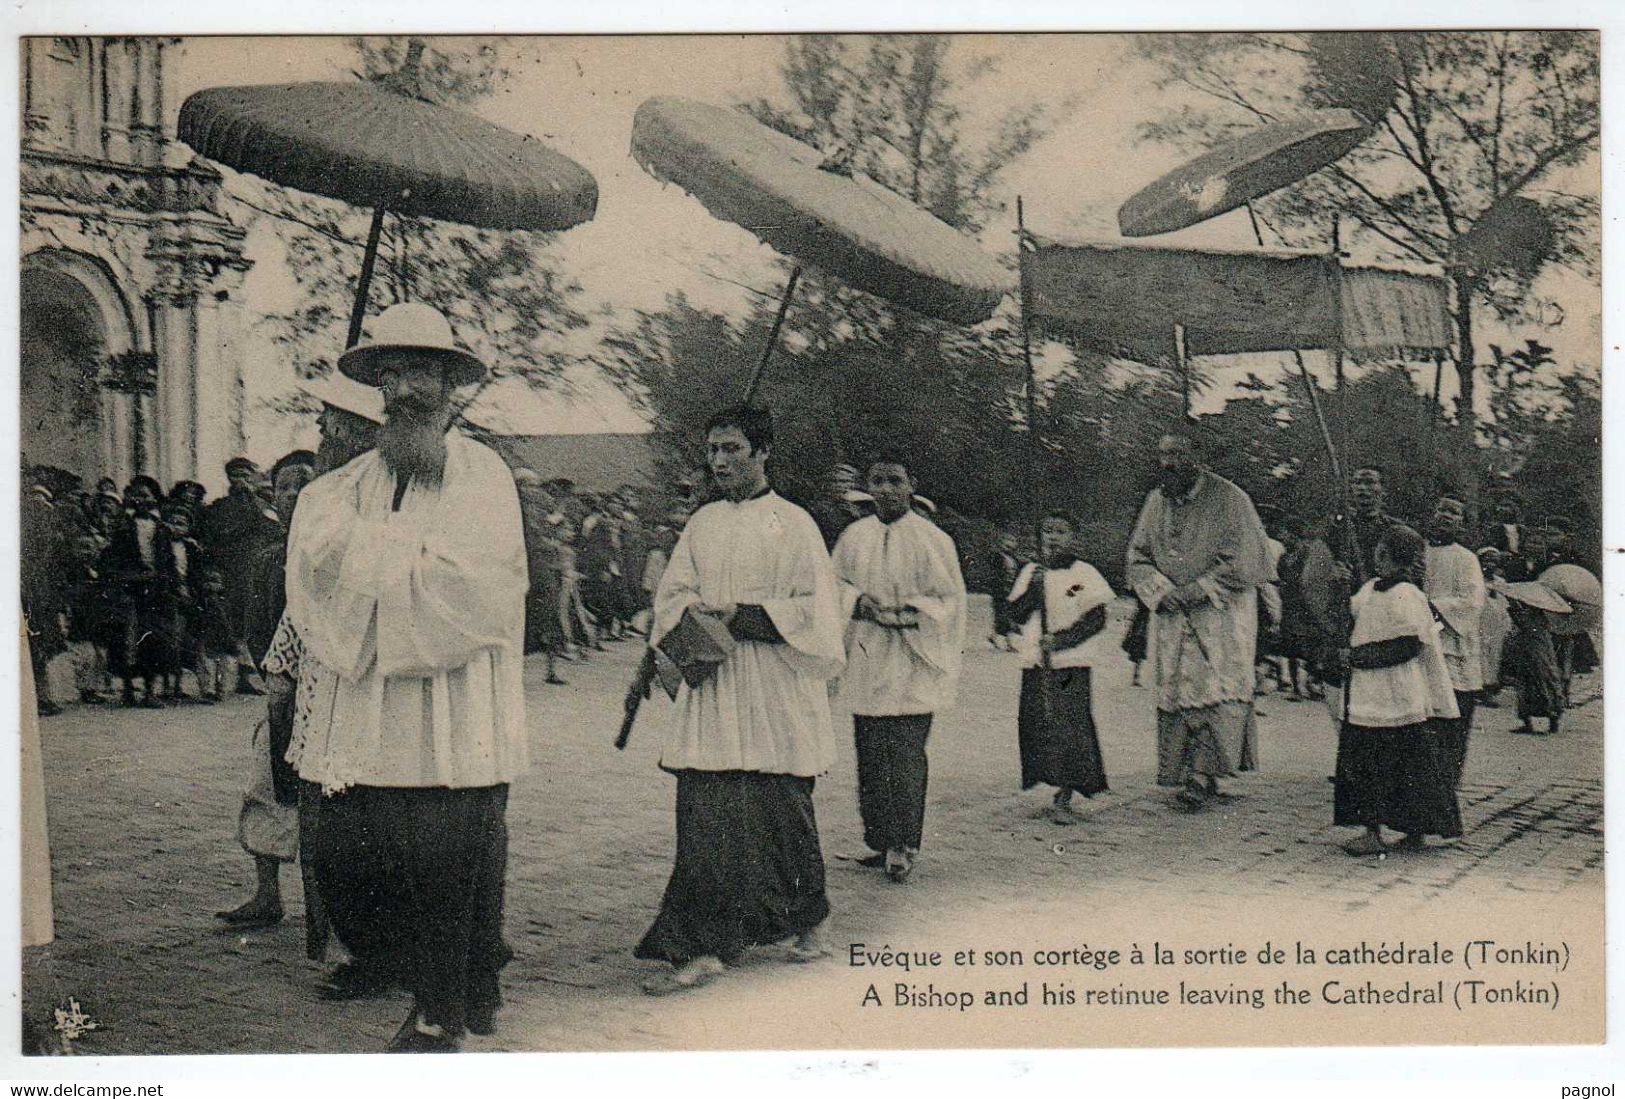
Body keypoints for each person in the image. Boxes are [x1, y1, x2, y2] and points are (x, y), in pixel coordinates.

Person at [280, 302, 529, 1052]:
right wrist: (390, 549)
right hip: (378, 712)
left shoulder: (482, 475)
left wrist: (369, 554)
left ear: (451, 383)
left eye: (421, 372)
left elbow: (473, 587)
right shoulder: (348, 482)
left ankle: (438, 1015)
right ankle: (450, 988)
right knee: (370, 854)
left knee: (450, 860)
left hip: (453, 709)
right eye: (391, 374)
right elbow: (312, 565)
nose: (405, 390)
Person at [633, 404, 844, 995]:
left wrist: (749, 615)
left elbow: (818, 613)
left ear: (763, 451)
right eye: (714, 449)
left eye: (733, 448)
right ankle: (701, 944)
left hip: (773, 681)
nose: (720, 460)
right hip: (717, 680)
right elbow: (672, 594)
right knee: (706, 802)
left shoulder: (795, 525)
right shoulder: (701, 523)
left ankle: (807, 915)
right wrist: (691, 617)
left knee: (780, 805)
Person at [830, 456, 966, 882]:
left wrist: (912, 611)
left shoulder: (932, 539)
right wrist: (857, 603)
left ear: (911, 485)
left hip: (912, 659)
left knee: (905, 755)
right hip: (870, 657)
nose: (886, 490)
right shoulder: (853, 537)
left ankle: (904, 843)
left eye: (895, 481)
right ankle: (879, 838)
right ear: (867, 487)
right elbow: (834, 585)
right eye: (878, 481)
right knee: (870, 754)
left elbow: (949, 599)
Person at [1126, 432, 1275, 810]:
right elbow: (1138, 555)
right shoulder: (1156, 501)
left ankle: (1204, 773)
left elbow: (1246, 561)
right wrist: (1162, 591)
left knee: (1214, 687)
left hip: (1219, 614)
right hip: (1172, 614)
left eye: (1177, 454)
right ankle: (1186, 769)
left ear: (1198, 456)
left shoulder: (1231, 499)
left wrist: (1195, 590)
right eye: (1162, 455)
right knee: (1178, 687)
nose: (1167, 463)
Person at [215, 448, 318, 929]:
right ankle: (266, 893)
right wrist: (277, 681)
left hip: (331, 693)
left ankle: (333, 904)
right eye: (285, 485)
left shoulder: (332, 551)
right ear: (271, 496)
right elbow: (255, 625)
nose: (294, 494)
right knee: (267, 786)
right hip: (283, 692)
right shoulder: (267, 559)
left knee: (328, 803)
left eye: (304, 483)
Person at [1333, 524, 1461, 856]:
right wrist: (1341, 586)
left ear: (1392, 557)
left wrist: (1359, 657)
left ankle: (1399, 830)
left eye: (1381, 552)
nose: (1377, 557)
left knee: (1399, 765)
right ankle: (1377, 828)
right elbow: (1351, 614)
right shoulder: (1370, 588)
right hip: (1370, 692)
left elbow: (1407, 645)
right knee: (1373, 762)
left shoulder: (1408, 596)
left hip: (1397, 692)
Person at [1008, 511, 1114, 823]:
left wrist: (1063, 640)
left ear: (1073, 537)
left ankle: (1067, 792)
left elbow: (1097, 619)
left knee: (1070, 725)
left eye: (1061, 531)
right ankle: (1051, 782)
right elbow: (1015, 611)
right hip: (1037, 661)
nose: (1053, 537)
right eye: (1048, 531)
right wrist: (1032, 589)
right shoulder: (1032, 571)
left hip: (1070, 662)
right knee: (1040, 723)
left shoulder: (1084, 573)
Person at [1423, 496, 1486, 788]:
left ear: (1461, 522)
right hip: (1423, 640)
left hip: (1452, 643)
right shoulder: (1419, 552)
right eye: (1442, 510)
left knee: (1454, 712)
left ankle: (1449, 777)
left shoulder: (1466, 558)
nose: (1446, 516)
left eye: (1454, 512)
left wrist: (1434, 607)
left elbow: (1473, 602)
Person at [203, 456, 279, 696]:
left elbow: (271, 529)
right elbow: (214, 536)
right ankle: (226, 677)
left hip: (253, 571)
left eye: (246, 476)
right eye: (236, 476)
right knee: (230, 622)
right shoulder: (220, 507)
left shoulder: (261, 504)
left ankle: (247, 674)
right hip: (229, 571)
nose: (241, 481)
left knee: (252, 620)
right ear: (229, 478)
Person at [103, 475, 167, 708]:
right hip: (129, 588)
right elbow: (114, 558)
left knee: (152, 638)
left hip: (154, 590)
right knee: (126, 639)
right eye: (136, 495)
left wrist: (161, 581)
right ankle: (128, 689)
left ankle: (150, 691)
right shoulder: (123, 527)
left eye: (146, 495)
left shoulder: (161, 528)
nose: (141, 499)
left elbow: (166, 561)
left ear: (154, 499)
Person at [513, 467, 568, 685]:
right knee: (548, 615)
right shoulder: (542, 504)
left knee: (530, 618)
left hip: (528, 566)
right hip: (541, 565)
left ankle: (545, 669)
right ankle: (550, 670)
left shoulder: (517, 503)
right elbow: (559, 530)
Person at [1476, 548, 1513, 706]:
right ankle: (1483, 691)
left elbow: (1505, 604)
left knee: (1495, 656)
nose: (1490, 564)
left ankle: (1491, 688)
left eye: (1494, 561)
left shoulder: (1500, 582)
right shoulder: (1475, 580)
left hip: (1497, 624)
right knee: (1480, 655)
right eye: (1486, 560)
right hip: (1479, 622)